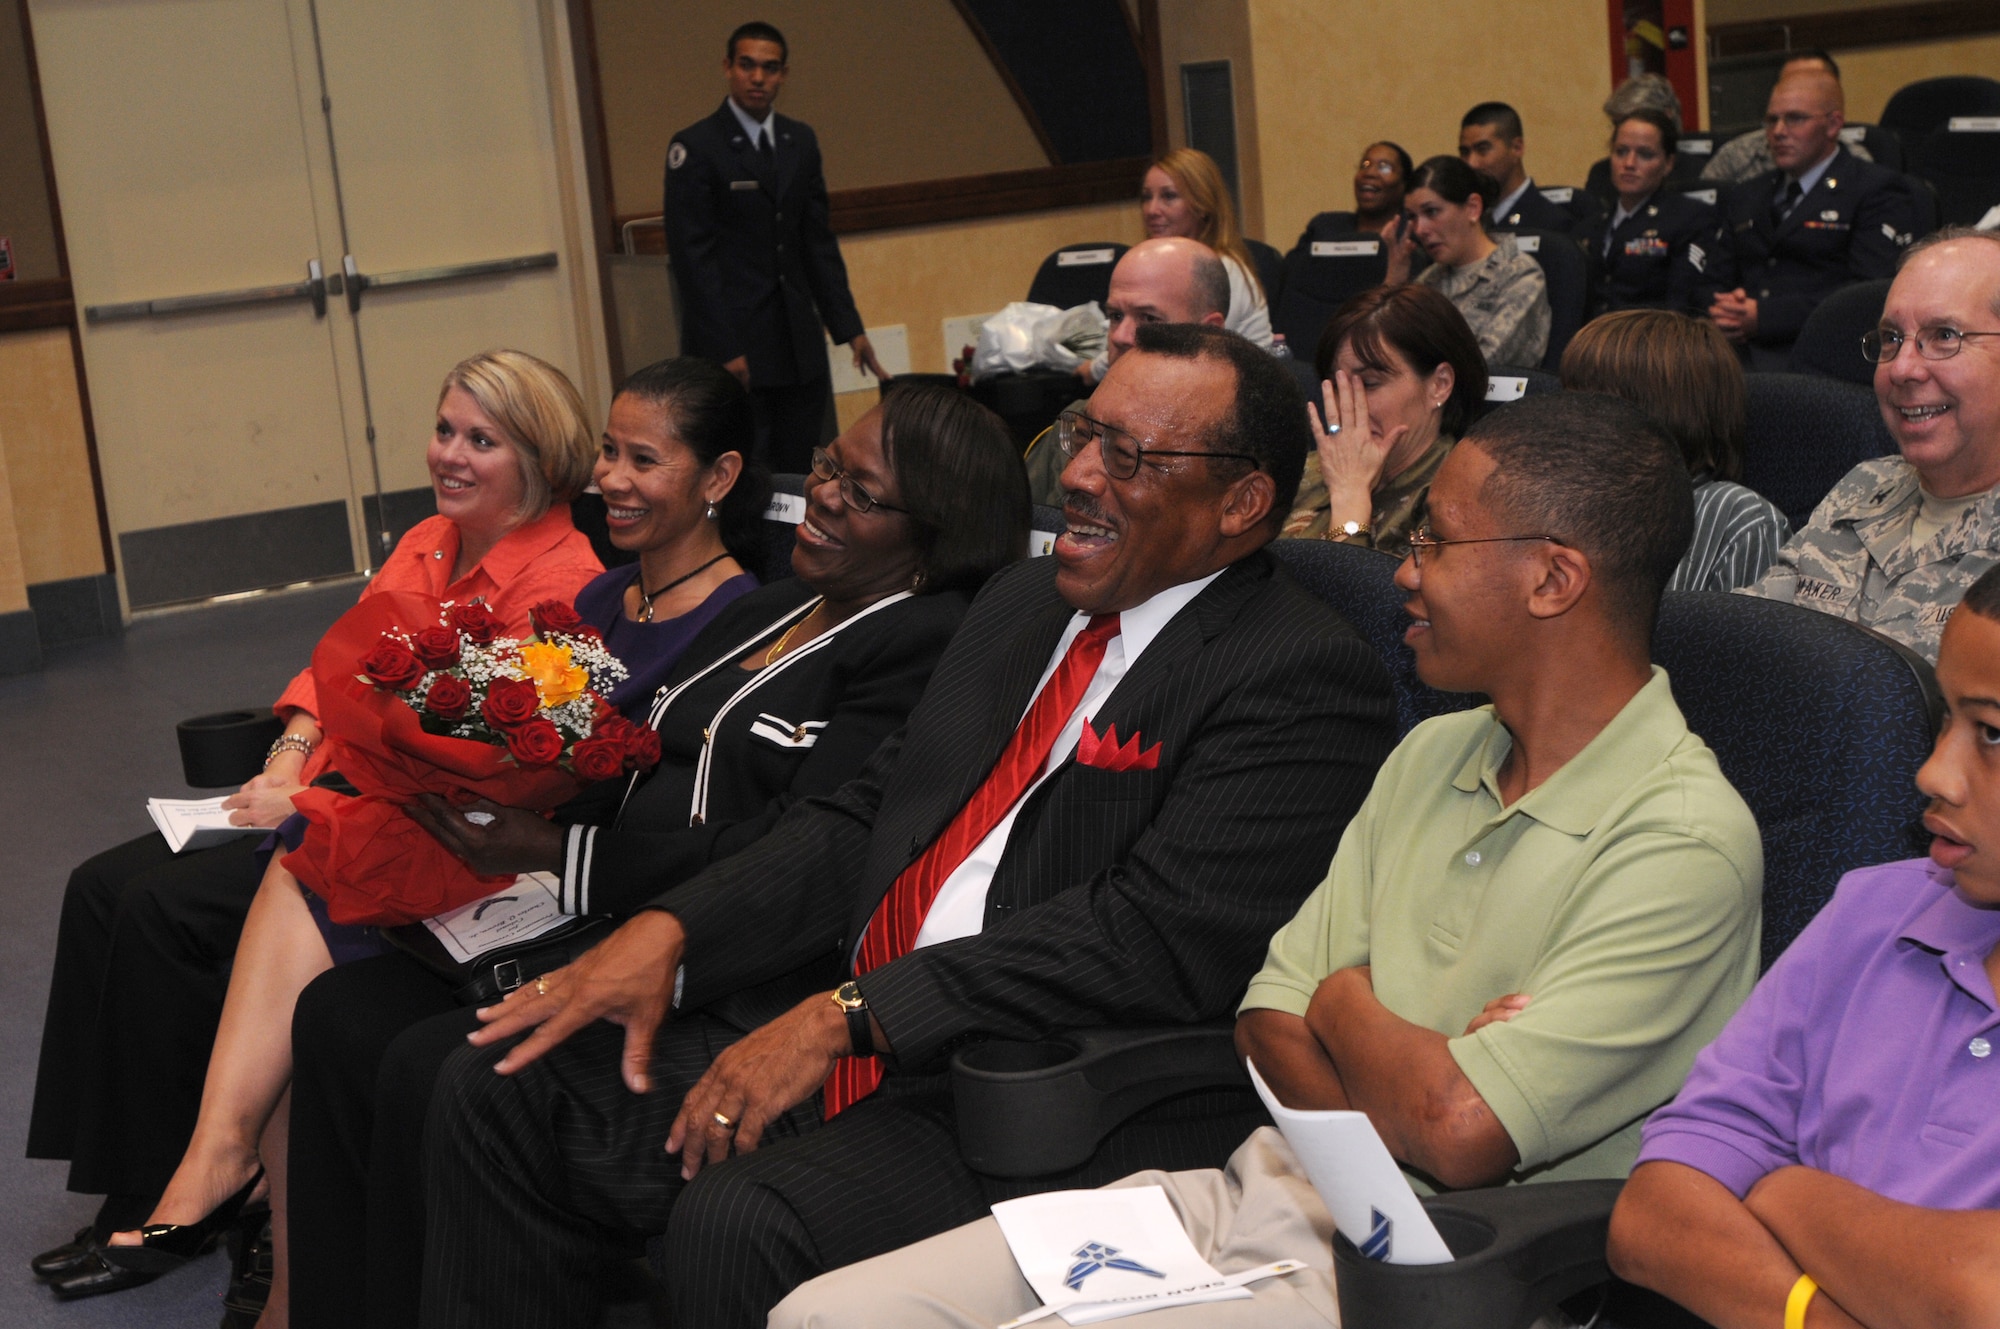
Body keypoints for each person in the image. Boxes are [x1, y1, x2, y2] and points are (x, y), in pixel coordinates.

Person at [400, 324, 1399, 1329]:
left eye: (1130, 458)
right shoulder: (1019, 606)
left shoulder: (1296, 671)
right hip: (862, 1025)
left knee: (736, 1222)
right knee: (501, 1088)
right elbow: (860, 815)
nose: (1081, 478)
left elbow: (1148, 936)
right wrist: (671, 934)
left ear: (1240, 503)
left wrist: (853, 1013)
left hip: (1031, 1087)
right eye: (1082, 435)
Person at [770, 391, 1764, 1329]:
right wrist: (1382, 1053)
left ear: (1553, 578)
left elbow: (1459, 1133)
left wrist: (1341, 1004)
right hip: (1261, 1189)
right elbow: (1264, 1021)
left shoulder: (1679, 837)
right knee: (822, 1314)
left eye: (1433, 540)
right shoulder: (1434, 750)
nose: (1403, 570)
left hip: (1430, 1272)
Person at [284, 381, 1027, 1329]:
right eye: (831, 467)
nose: (827, 494)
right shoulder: (781, 601)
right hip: (591, 888)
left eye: (865, 493)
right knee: (344, 1011)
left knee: (453, 1066)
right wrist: (485, 757)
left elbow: (800, 841)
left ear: (939, 528)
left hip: (720, 949)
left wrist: (564, 851)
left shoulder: (925, 642)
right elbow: (620, 728)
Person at [25, 350, 604, 1302]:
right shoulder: (426, 539)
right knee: (101, 885)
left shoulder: (559, 579)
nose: (450, 455)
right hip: (329, 788)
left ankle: (210, 1169)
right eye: (445, 429)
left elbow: (491, 765)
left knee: (183, 904)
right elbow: (339, 667)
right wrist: (289, 756)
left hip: (415, 826)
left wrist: (300, 800)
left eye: (481, 440)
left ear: (538, 459)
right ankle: (143, 1180)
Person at [1607, 560, 2000, 1327]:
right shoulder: (1879, 911)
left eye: (1992, 732)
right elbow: (1653, 1214)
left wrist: (1787, 1190)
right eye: (1946, 720)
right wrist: (1811, 1313)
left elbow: (1982, 1294)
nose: (1934, 773)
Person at [1744, 228, 2000, 662]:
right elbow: (1747, 639)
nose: (1901, 368)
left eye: (1944, 336)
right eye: (1891, 338)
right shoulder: (1864, 487)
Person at [663, 21, 889, 473]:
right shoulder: (697, 146)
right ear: (728, 67)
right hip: (734, 344)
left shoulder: (798, 141)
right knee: (745, 469)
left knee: (803, 465)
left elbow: (816, 242)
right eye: (747, 66)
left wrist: (849, 328)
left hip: (795, 340)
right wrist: (723, 348)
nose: (758, 78)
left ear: (784, 74)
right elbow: (693, 261)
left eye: (769, 68)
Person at [572, 357, 768, 718]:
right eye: (610, 450)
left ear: (719, 477)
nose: (611, 479)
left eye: (644, 460)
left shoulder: (741, 627)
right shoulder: (596, 598)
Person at [1703, 68, 1919, 370]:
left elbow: (1870, 291)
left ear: (1833, 125)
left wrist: (1766, 317)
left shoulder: (1875, 189)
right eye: (1771, 120)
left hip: (1822, 351)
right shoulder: (1748, 193)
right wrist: (1726, 307)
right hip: (1734, 350)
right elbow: (1711, 277)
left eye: (1795, 119)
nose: (1778, 131)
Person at [1561, 310, 1790, 591]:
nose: (1565, 420)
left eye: (1590, 405)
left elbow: (1744, 634)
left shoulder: (1740, 520)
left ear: (1657, 412)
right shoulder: (1565, 503)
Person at [1281, 284, 1487, 557]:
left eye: (1369, 383)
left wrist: (1350, 496)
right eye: (1338, 386)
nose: (1349, 404)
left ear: (1439, 384)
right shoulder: (1308, 469)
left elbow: (1349, 596)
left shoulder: (1464, 500)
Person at [1028, 236, 1230, 505]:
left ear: (1209, 332)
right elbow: (1020, 528)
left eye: (1148, 318)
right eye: (1115, 316)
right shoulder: (1076, 425)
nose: (1121, 336)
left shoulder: (1235, 437)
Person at [1079, 150, 1271, 392]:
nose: (1152, 210)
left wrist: (1092, 369)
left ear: (1202, 206)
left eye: (1169, 196)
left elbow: (1178, 350)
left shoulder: (1218, 270)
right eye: (1146, 197)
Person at [1388, 156, 1552, 369]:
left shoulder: (1520, 275)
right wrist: (1393, 280)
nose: (1420, 229)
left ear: (1473, 208)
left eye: (1431, 212)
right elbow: (1384, 351)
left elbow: (1482, 364)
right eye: (1412, 217)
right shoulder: (1429, 280)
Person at [1587, 109, 1724, 316]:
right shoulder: (1592, 225)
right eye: (1621, 151)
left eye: (1645, 154)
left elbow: (1682, 304)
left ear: (1668, 164)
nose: (1629, 164)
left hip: (1653, 340)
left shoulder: (1689, 218)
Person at [1701, 50, 1874, 186]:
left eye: (1796, 118)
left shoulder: (1856, 163)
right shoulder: (1735, 157)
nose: (1779, 131)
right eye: (1790, 83)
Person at [1460, 101, 1578, 234]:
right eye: (1465, 152)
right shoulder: (1466, 220)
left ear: (1517, 148)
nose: (1471, 163)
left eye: (1482, 150)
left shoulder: (1552, 223)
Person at [1587, 74, 1685, 208]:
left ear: (1665, 119)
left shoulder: (1694, 174)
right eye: (1617, 124)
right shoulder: (1602, 173)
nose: (1629, 163)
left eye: (1635, 121)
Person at [1350, 140, 1414, 236]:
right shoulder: (1326, 228)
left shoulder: (1415, 233)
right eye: (1365, 165)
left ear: (1404, 184)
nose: (1369, 173)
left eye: (1384, 167)